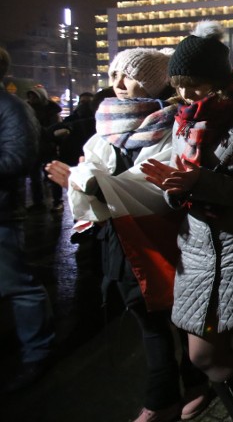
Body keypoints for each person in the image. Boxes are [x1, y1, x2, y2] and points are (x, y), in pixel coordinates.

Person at [45, 48, 212, 422]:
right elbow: (94, 170)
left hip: (162, 238)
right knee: (148, 321)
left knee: (178, 318)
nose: (118, 83)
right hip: (120, 241)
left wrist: (85, 180)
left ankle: (185, 388)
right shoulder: (105, 123)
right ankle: (169, 394)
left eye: (129, 75)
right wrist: (84, 180)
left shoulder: (173, 125)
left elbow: (153, 183)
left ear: (153, 80)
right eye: (115, 73)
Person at [140, 21, 233, 422]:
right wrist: (173, 187)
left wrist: (201, 182)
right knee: (202, 352)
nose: (185, 93)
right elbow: (177, 176)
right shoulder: (183, 118)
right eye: (179, 83)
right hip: (197, 249)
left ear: (219, 79)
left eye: (194, 83)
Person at [0, 48, 55, 393]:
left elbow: (19, 157)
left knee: (19, 286)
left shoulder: (12, 107)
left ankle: (37, 353)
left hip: (2, 212)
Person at [25, 84, 62, 212]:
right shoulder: (27, 109)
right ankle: (38, 203)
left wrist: (37, 128)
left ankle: (58, 201)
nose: (31, 99)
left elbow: (53, 130)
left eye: (34, 96)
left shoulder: (52, 111)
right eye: (30, 96)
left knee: (52, 176)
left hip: (48, 148)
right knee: (34, 178)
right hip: (33, 148)